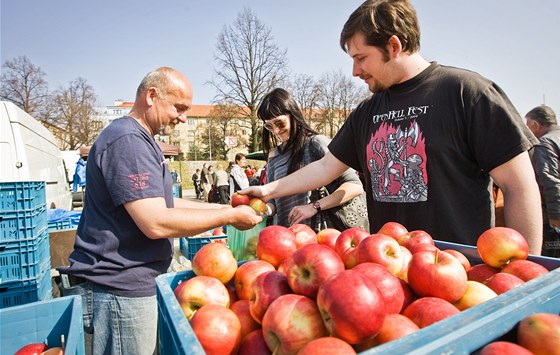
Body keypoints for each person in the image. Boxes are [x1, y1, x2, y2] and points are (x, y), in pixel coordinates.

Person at [241, 0, 542, 255]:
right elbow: (325, 168)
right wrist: (266, 190)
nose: (355, 71)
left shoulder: (467, 93)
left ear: (394, 45)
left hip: (460, 274)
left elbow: (519, 186)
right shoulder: (366, 112)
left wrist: (528, 276)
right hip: (389, 274)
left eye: (361, 58)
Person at [57, 67, 262, 355]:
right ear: (152, 96)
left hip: (127, 286)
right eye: (179, 107)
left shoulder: (141, 140)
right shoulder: (128, 141)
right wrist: (229, 217)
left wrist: (223, 206)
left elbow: (165, 202)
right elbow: (155, 222)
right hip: (118, 288)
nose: (182, 117)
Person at [257, 88, 367, 231]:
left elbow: (354, 186)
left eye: (280, 123)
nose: (276, 131)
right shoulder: (274, 155)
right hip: (286, 238)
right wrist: (262, 210)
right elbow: (273, 201)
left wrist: (315, 206)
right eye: (269, 126)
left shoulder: (315, 143)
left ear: (293, 115)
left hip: (319, 235)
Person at [525, 105, 560, 257]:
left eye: (528, 125)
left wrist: (555, 217)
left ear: (535, 125)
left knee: (551, 265)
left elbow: (550, 180)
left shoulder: (545, 143)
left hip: (553, 218)